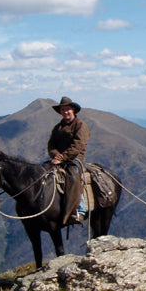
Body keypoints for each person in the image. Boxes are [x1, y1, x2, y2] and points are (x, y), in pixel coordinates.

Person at [47, 96, 90, 225]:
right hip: (58, 159)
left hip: (75, 159)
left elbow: (78, 145)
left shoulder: (80, 125)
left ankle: (80, 210)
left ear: (73, 110)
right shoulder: (57, 128)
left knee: (73, 176)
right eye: (63, 110)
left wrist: (62, 157)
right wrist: (56, 155)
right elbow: (51, 145)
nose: (65, 112)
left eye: (67, 109)